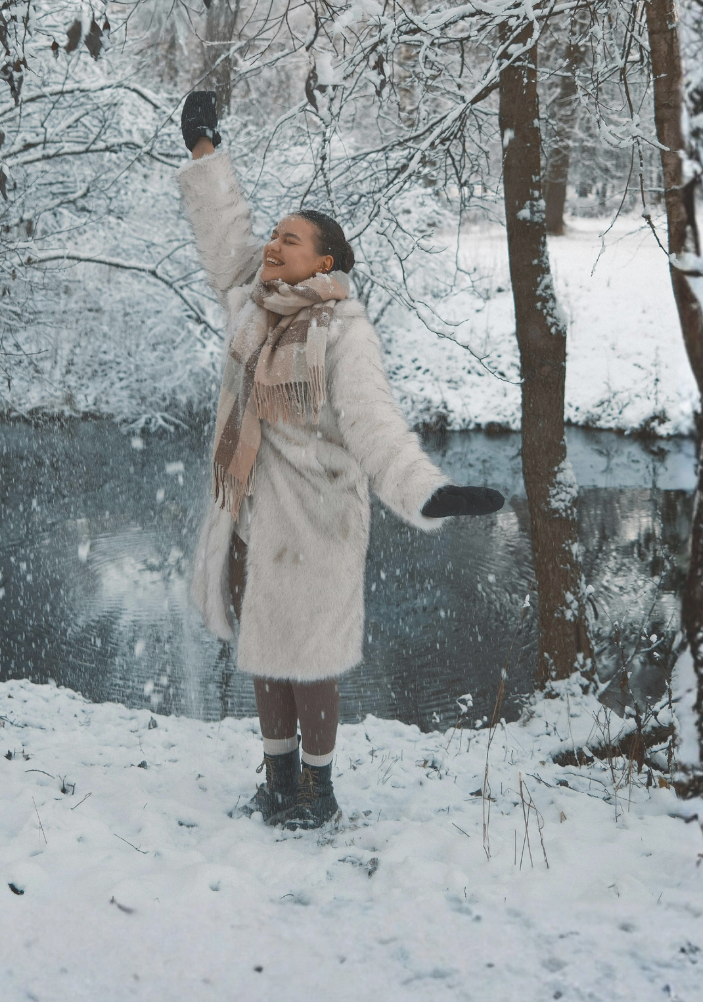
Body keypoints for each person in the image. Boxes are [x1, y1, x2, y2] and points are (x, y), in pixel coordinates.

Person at [175, 90, 504, 830]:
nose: (271, 247)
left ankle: (316, 793)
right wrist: (204, 149)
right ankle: (276, 779)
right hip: (249, 513)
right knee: (264, 653)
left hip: (316, 523)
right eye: (274, 236)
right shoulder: (249, 305)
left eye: (288, 240)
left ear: (324, 258)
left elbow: (374, 427)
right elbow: (224, 234)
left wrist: (426, 492)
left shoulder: (341, 333)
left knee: (310, 663)